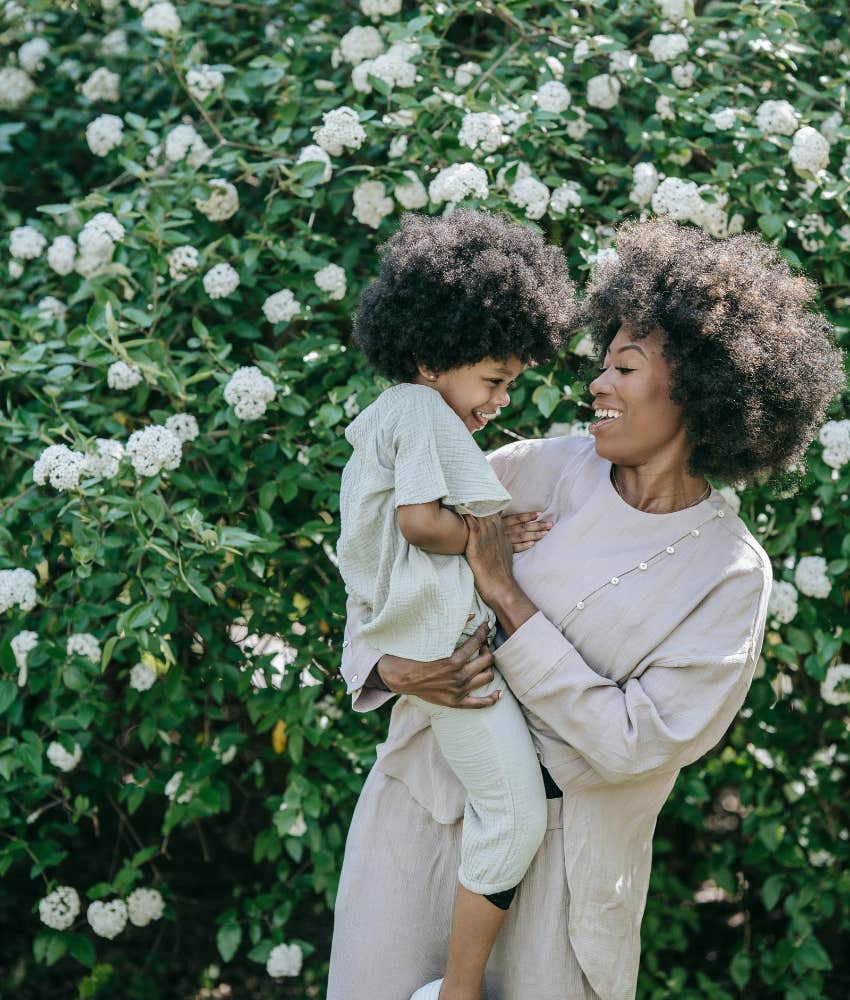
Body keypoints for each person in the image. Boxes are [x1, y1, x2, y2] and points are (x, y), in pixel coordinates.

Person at [327, 218, 843, 1000]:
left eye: (625, 368)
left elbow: (636, 745)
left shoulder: (730, 575)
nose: (597, 385)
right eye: (602, 365)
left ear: (703, 391)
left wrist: (505, 593)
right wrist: (386, 665)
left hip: (569, 874)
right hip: (417, 817)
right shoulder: (530, 468)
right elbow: (382, 562)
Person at [335, 209, 580, 1000]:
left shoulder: (400, 415)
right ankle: (458, 991)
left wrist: (487, 524)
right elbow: (420, 523)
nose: (503, 398)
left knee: (507, 816)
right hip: (453, 662)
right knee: (515, 822)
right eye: (496, 378)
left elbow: (408, 531)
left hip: (441, 655)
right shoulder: (420, 410)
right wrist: (489, 540)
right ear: (434, 354)